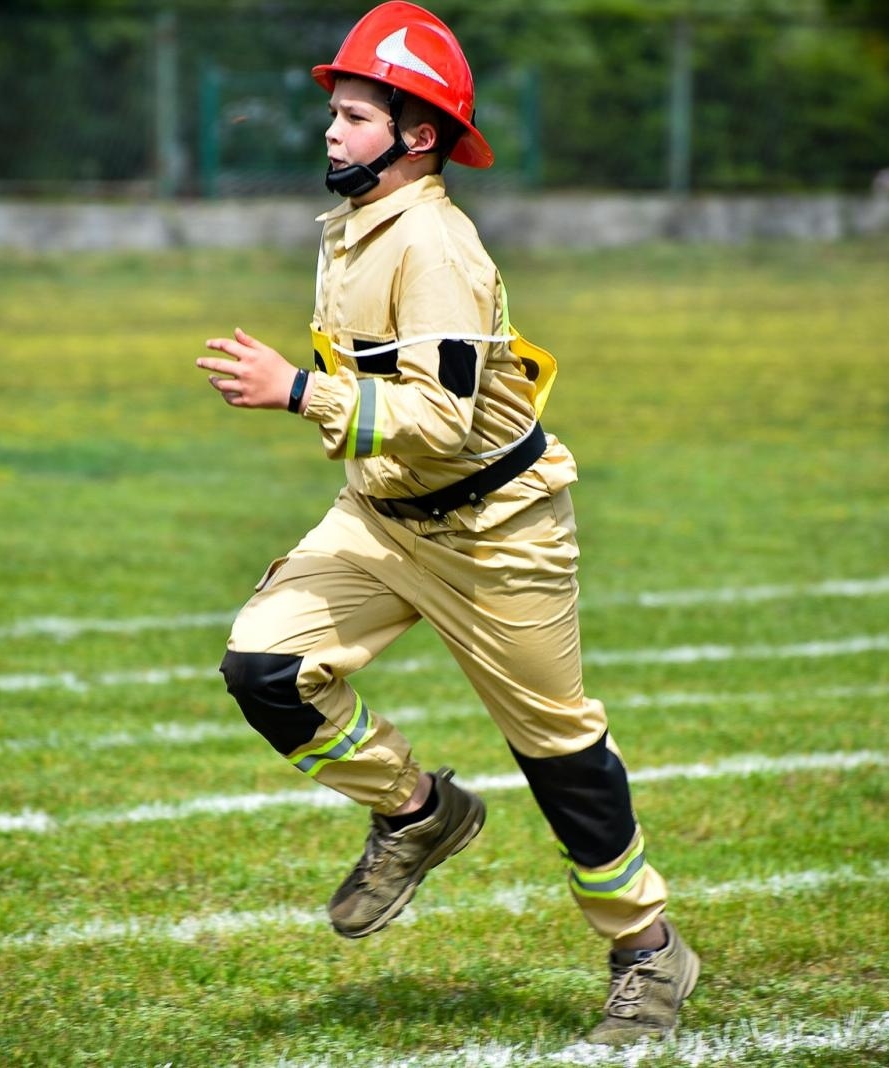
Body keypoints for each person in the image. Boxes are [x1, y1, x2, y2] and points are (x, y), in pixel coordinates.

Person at [195, 1, 700, 1047]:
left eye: (354, 114)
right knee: (264, 669)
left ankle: (647, 952)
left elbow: (438, 419)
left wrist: (296, 392)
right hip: (381, 520)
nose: (330, 131)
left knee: (558, 750)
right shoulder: (352, 224)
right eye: (332, 111)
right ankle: (417, 811)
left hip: (495, 532)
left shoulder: (434, 245)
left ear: (417, 136)